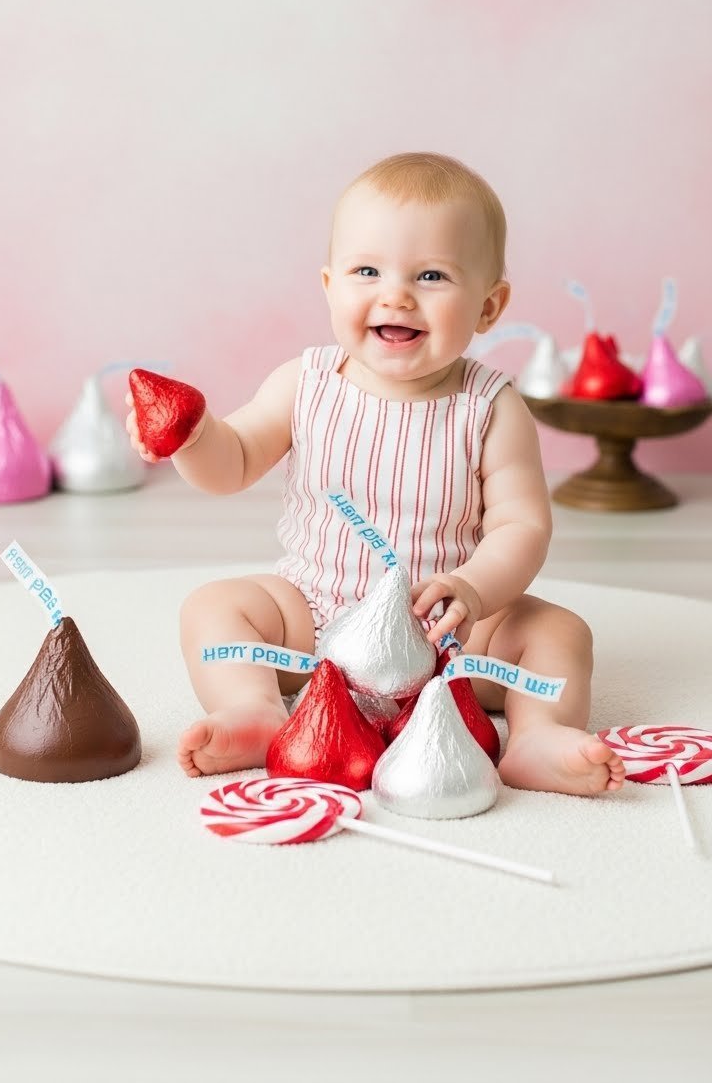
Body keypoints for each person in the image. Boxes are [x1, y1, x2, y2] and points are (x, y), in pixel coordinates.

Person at [127, 152, 625, 796]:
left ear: (489, 306)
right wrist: (193, 435)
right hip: (313, 618)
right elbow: (234, 462)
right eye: (368, 270)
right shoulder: (304, 383)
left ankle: (536, 737)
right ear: (331, 286)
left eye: (431, 274)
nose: (396, 294)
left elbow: (521, 524)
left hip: (451, 634)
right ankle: (254, 711)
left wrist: (473, 589)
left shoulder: (490, 406)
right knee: (214, 608)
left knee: (560, 633)